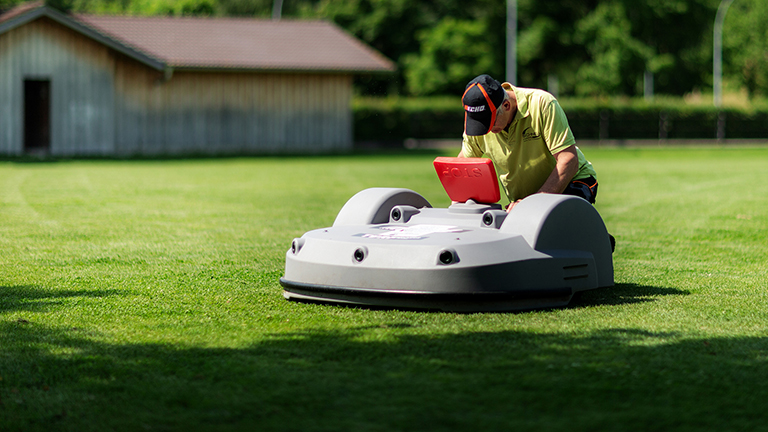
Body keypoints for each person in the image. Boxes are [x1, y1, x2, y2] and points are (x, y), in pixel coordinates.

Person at [459, 74, 598, 213]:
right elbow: (462, 166)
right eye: (479, 124)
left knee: (558, 226)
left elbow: (568, 160)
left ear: (506, 105)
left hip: (574, 180)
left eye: (490, 122)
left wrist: (535, 203)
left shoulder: (542, 103)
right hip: (525, 199)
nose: (486, 129)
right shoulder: (478, 125)